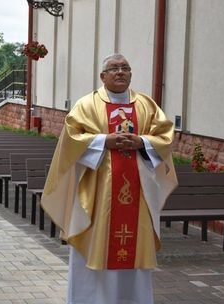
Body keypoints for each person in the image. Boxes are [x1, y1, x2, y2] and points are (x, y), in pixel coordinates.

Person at [40, 53, 178, 304]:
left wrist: (142, 142)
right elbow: (71, 138)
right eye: (114, 68)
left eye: (125, 67)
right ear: (103, 76)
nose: (120, 72)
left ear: (131, 74)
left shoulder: (147, 105)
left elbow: (165, 136)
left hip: (138, 195)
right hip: (97, 194)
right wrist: (105, 141)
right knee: (96, 248)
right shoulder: (87, 104)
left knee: (134, 252)